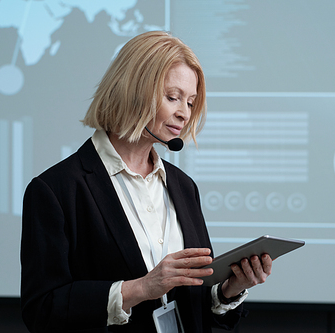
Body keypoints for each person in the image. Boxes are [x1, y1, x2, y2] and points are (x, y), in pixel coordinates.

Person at [20, 30, 273, 333]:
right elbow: (43, 310)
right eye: (172, 97)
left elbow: (192, 301)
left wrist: (229, 289)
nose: (184, 113)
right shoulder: (56, 190)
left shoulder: (183, 186)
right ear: (133, 90)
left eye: (191, 102)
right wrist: (140, 288)